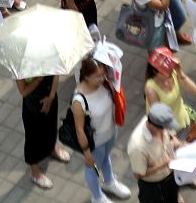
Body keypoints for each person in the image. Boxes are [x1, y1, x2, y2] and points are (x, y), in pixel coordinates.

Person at [71, 57, 132, 202]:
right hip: (95, 142)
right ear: (86, 76)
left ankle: (109, 182)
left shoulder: (105, 84)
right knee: (93, 167)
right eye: (97, 76)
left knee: (106, 158)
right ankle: (97, 197)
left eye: (103, 74)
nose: (101, 78)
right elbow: (79, 129)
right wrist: (86, 153)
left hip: (110, 133)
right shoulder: (79, 100)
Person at [18, 73, 69, 190]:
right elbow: (23, 91)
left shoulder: (48, 55)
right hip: (33, 105)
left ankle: (52, 148)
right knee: (33, 138)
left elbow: (56, 73)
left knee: (51, 126)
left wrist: (51, 97)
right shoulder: (21, 66)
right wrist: (37, 80)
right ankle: (35, 171)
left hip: (50, 97)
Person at [127, 102, 180, 203]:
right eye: (164, 128)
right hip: (153, 188)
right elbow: (139, 174)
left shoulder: (160, 125)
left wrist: (174, 139)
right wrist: (162, 163)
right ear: (154, 126)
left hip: (170, 177)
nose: (167, 129)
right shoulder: (138, 146)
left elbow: (171, 134)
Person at [143, 47, 196, 141]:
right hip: (169, 129)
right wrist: (171, 138)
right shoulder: (151, 89)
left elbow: (194, 90)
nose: (170, 73)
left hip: (183, 118)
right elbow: (158, 117)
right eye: (166, 72)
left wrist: (181, 73)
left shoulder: (174, 73)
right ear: (155, 71)